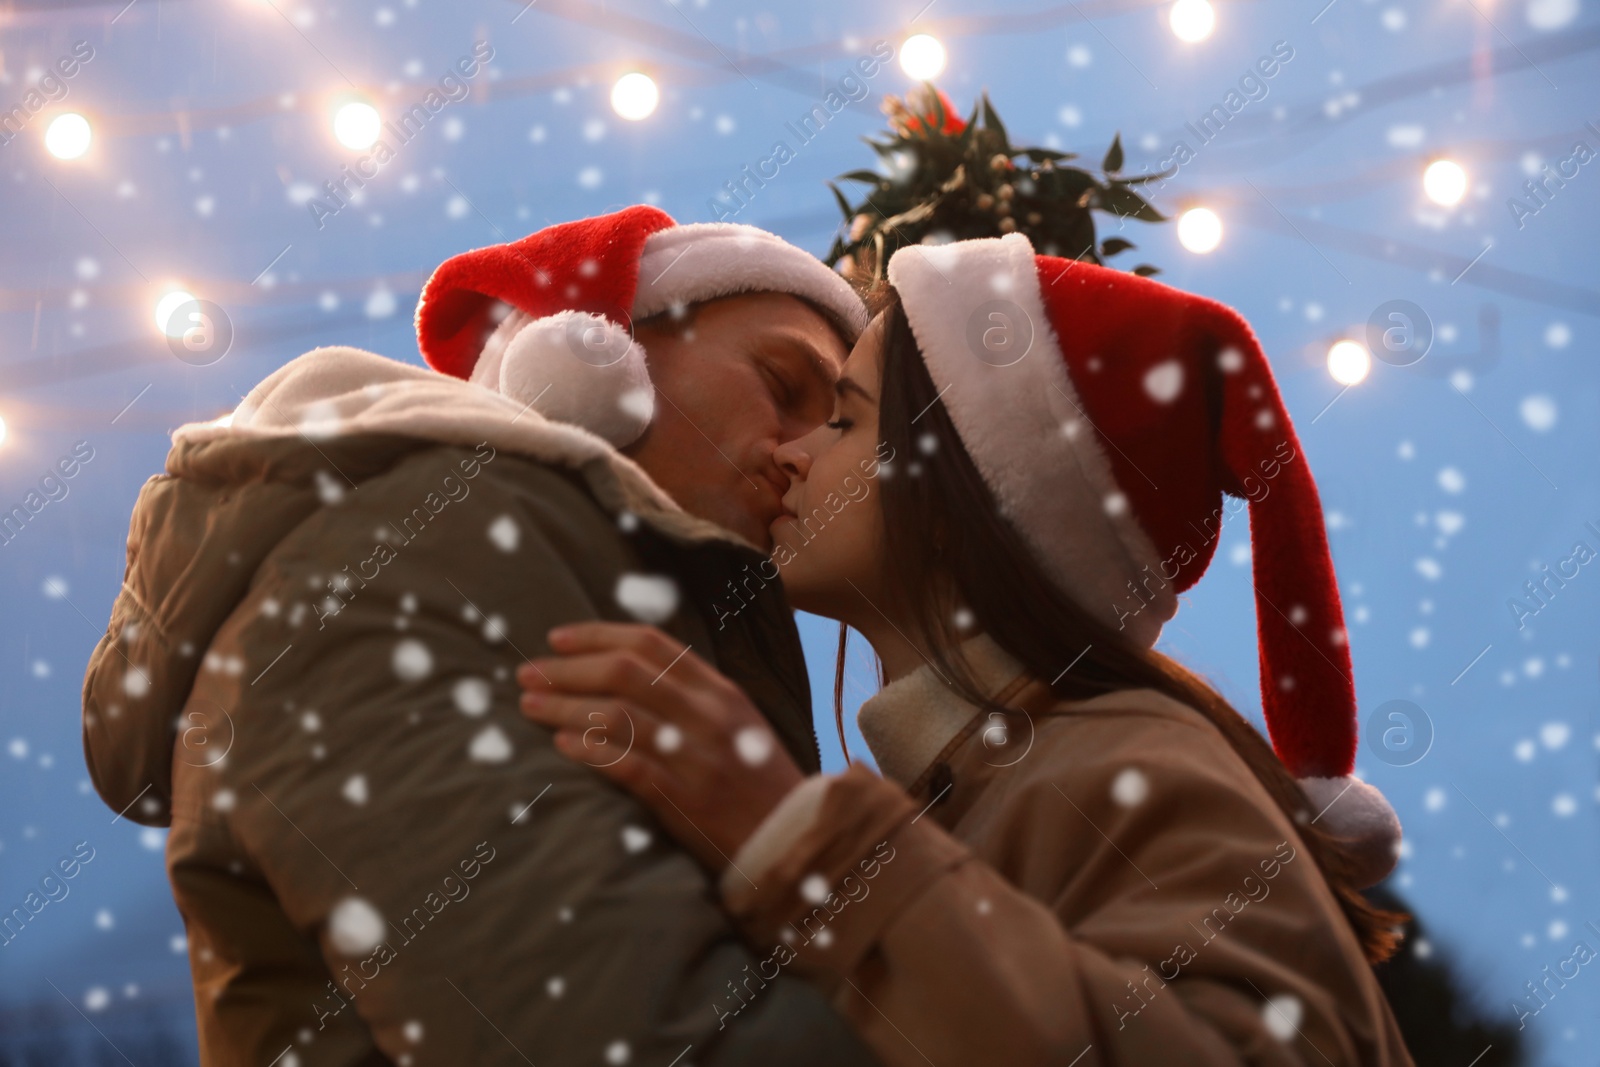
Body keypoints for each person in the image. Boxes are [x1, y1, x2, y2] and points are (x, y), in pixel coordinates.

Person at [518, 233, 1414, 1066]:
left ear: (963, 487)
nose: (792, 454)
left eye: (843, 420)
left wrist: (797, 839)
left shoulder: (1126, 753)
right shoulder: (975, 787)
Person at [81, 206, 886, 1066]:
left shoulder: (532, 571)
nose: (806, 453)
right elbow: (632, 1036)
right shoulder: (405, 561)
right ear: (590, 359)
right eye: (782, 383)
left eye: (837, 423)